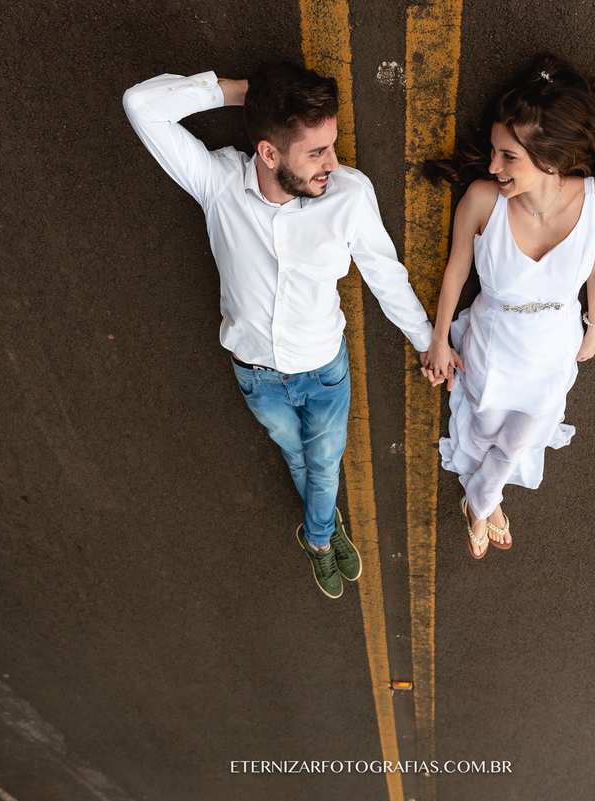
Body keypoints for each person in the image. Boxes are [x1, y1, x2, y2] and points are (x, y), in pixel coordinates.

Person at [124, 63, 435, 597]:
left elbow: (387, 278)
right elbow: (140, 105)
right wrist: (247, 94)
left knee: (323, 461)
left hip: (323, 374)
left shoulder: (348, 196)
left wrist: (430, 344)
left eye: (331, 146)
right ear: (269, 153)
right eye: (316, 152)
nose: (332, 164)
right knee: (299, 458)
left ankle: (317, 539)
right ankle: (324, 524)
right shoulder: (218, 183)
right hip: (258, 379)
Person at [421, 55, 595, 558]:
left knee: (518, 443)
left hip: (554, 349)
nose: (493, 166)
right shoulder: (483, 199)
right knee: (486, 436)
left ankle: (480, 504)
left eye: (509, 156)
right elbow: (456, 272)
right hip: (493, 348)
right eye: (493, 152)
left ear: (550, 156)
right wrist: (440, 340)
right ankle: (486, 504)